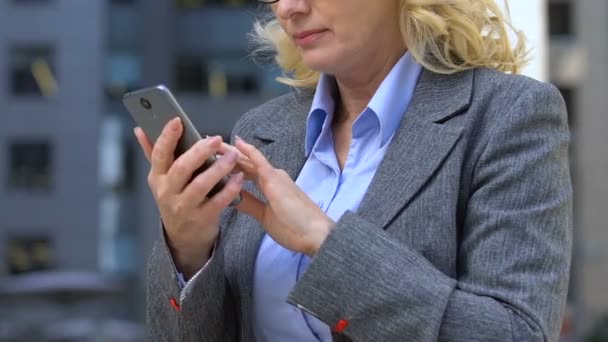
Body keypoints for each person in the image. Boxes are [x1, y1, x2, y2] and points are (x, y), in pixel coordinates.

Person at [134, 0, 573, 341]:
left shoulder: (507, 114)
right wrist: (189, 249)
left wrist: (324, 241)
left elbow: (516, 332)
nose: (289, 9)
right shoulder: (265, 130)